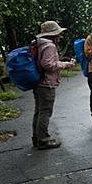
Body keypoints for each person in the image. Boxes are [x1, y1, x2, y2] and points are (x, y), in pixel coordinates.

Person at [32, 21, 75, 149]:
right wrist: (65, 65)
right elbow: (48, 65)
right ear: (53, 35)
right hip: (47, 83)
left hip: (38, 82)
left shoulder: (39, 44)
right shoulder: (49, 45)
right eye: (58, 34)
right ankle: (43, 140)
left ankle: (36, 138)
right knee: (45, 112)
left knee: (39, 111)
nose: (59, 37)